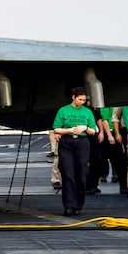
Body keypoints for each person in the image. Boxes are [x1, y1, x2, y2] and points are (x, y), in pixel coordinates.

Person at [52, 87, 96, 216]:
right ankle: (69, 205)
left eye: (84, 100)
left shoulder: (87, 112)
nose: (82, 102)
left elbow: (93, 131)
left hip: (82, 142)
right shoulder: (63, 110)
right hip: (67, 142)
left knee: (81, 173)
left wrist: (85, 127)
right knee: (68, 174)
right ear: (73, 97)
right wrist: (69, 130)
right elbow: (56, 129)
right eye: (80, 99)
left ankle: (78, 205)